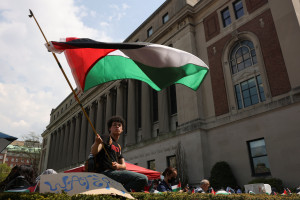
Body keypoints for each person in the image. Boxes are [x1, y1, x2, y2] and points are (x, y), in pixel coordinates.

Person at [91, 116, 148, 192]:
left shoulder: (119, 146)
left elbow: (124, 166)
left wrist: (118, 166)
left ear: (122, 130)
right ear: (110, 128)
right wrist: (96, 143)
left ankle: (120, 192)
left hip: (115, 173)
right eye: (114, 125)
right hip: (105, 173)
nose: (117, 126)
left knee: (140, 188)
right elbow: (94, 151)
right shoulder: (106, 137)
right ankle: (120, 192)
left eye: (119, 125)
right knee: (142, 178)